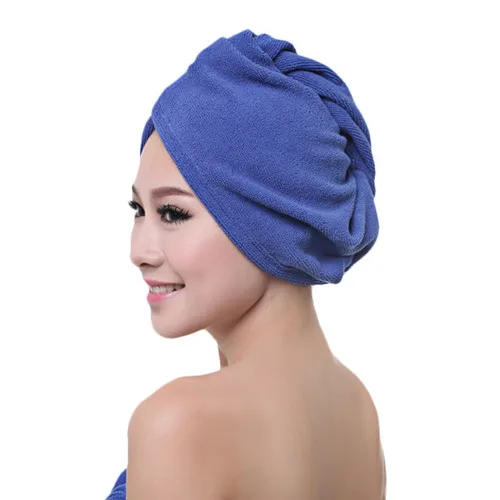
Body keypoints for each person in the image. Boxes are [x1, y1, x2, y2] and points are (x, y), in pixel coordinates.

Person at [106, 28, 386, 500]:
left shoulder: (180, 423)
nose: (139, 251)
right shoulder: (358, 408)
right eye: (139, 210)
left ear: (276, 221)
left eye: (173, 213)